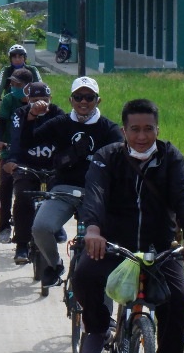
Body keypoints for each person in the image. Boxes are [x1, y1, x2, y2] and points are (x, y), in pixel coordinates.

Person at [75, 98, 184, 353]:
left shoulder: (171, 158)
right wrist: (93, 229)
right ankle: (96, 327)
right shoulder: (108, 157)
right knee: (83, 277)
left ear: (157, 129)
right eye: (135, 129)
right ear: (124, 130)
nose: (142, 136)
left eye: (149, 129)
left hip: (158, 248)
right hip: (112, 244)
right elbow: (95, 192)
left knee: (179, 304)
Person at [19, 76, 122, 287]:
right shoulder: (60, 123)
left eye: (89, 97)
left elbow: (121, 161)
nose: (83, 102)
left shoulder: (109, 129)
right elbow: (27, 142)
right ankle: (54, 264)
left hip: (96, 193)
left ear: (98, 100)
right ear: (70, 100)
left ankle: (104, 314)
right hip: (64, 189)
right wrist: (32, 115)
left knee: (100, 245)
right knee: (40, 227)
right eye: (78, 97)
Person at [4, 81, 63, 263]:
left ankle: (56, 226)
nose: (40, 103)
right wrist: (12, 161)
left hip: (52, 166)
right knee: (22, 197)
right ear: (27, 100)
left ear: (50, 99)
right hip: (26, 165)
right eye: (35, 100)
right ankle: (21, 244)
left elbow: (65, 139)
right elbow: (15, 138)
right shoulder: (19, 114)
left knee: (61, 194)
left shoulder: (57, 113)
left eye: (44, 99)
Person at [0, 68, 36, 243]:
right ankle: (4, 225)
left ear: (28, 87)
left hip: (34, 153)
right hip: (10, 151)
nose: (13, 86)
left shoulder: (38, 101)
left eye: (18, 84)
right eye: (12, 83)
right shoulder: (9, 100)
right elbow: (0, 123)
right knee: (6, 186)